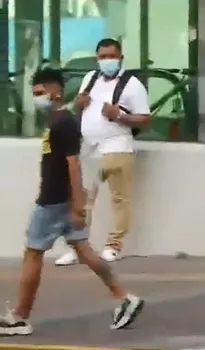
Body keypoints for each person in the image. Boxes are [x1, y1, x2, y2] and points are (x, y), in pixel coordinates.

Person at [1, 69, 145, 335]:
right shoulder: (56, 119)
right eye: (34, 94)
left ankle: (20, 316)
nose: (37, 98)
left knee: (33, 253)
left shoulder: (63, 123)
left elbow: (74, 165)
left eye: (41, 93)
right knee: (85, 252)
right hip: (62, 200)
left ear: (56, 92)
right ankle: (124, 298)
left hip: (54, 202)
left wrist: (78, 205)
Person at [55, 38, 150, 266]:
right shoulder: (90, 78)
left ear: (121, 58)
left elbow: (145, 119)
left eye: (111, 56)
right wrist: (79, 103)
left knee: (120, 200)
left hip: (118, 147)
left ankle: (114, 246)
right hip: (89, 148)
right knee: (81, 200)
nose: (107, 61)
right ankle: (78, 247)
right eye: (102, 57)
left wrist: (119, 115)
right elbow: (78, 106)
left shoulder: (133, 85)